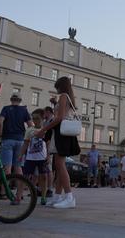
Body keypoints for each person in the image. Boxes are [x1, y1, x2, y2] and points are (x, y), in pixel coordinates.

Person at [36, 76, 80, 209]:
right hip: (65, 134)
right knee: (60, 166)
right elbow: (63, 114)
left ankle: (69, 197)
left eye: (57, 87)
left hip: (61, 133)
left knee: (59, 165)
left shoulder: (63, 96)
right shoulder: (68, 98)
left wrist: (43, 129)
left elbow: (60, 118)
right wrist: (55, 104)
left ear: (60, 86)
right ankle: (58, 196)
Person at [0, 94, 33, 179]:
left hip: (7, 139)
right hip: (20, 140)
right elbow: (30, 125)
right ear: (20, 100)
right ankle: (19, 192)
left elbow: (0, 122)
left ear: (11, 100)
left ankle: (4, 191)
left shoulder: (6, 109)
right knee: (18, 167)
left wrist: (0, 135)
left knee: (7, 166)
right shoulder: (24, 110)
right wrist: (27, 138)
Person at [20, 109, 49, 205]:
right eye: (33, 118)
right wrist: (20, 154)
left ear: (42, 118)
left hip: (42, 158)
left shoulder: (46, 129)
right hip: (30, 158)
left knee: (43, 177)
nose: (35, 120)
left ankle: (43, 196)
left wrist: (48, 156)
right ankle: (18, 196)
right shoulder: (29, 130)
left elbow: (48, 144)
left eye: (37, 118)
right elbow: (25, 143)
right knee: (25, 177)